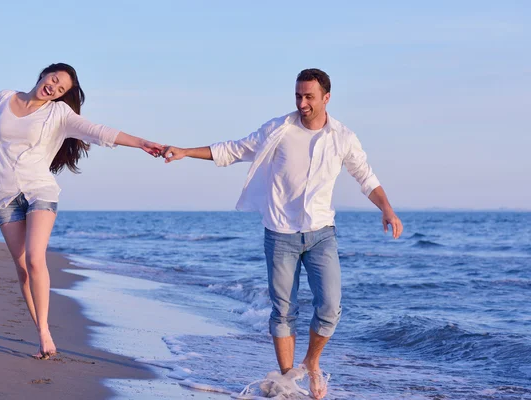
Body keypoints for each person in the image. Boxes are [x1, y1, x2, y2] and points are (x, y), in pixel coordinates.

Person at [160, 68, 403, 399]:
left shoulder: (343, 137)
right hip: (280, 233)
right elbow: (234, 150)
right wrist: (187, 151)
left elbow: (366, 177)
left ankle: (311, 364)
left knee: (330, 306)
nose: (302, 103)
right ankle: (289, 381)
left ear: (326, 98)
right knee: (284, 310)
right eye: (298, 96)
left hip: (321, 233)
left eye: (309, 97)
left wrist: (386, 208)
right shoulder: (278, 129)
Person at [0, 63, 163, 360]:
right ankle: (41, 326)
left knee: (35, 257)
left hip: (39, 190)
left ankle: (44, 334)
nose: (53, 88)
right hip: (3, 195)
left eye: (61, 89)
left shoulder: (59, 114)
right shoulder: (3, 98)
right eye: (54, 80)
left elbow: (97, 131)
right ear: (43, 74)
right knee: (22, 268)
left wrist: (141, 143)